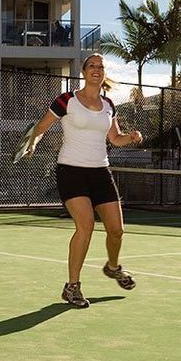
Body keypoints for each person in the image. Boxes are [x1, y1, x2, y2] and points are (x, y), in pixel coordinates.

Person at [26, 53, 143, 308]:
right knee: (86, 225)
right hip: (71, 170)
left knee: (116, 230)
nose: (97, 70)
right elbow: (42, 126)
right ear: (83, 71)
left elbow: (115, 138)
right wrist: (33, 141)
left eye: (101, 67)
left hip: (101, 172)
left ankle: (113, 267)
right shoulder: (67, 100)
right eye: (92, 66)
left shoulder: (109, 104)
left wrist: (130, 137)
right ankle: (72, 287)